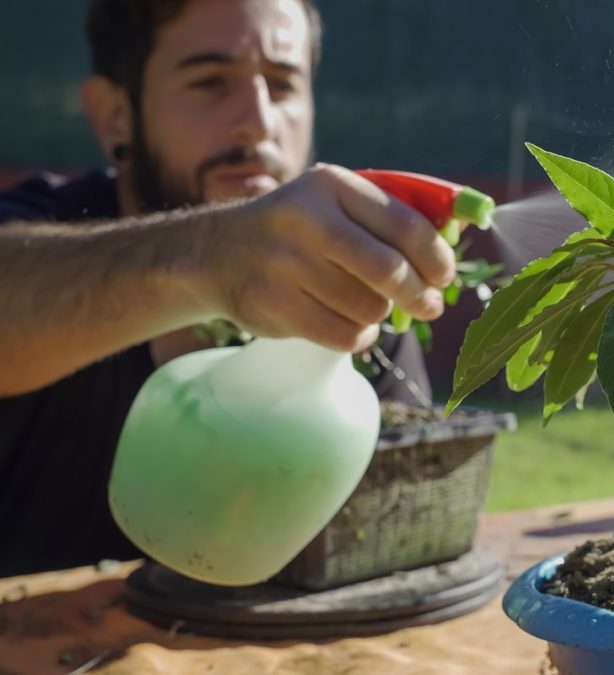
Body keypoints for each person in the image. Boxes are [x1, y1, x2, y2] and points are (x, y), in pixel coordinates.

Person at [0, 0, 456, 576]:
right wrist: (206, 255)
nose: (259, 123)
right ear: (114, 113)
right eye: (210, 82)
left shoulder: (352, 293)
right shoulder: (44, 234)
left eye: (285, 86)